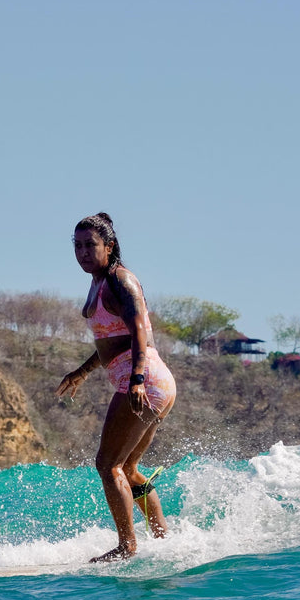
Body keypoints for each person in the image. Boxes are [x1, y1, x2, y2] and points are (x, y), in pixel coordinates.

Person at [55, 213, 177, 562]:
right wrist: (82, 372)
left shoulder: (121, 280)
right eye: (77, 246)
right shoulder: (98, 283)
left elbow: (139, 332)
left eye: (90, 245)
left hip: (144, 380)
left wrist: (136, 380)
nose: (82, 252)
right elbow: (112, 343)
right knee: (127, 469)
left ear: (109, 246)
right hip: (148, 380)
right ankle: (163, 538)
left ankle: (127, 546)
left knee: (108, 465)